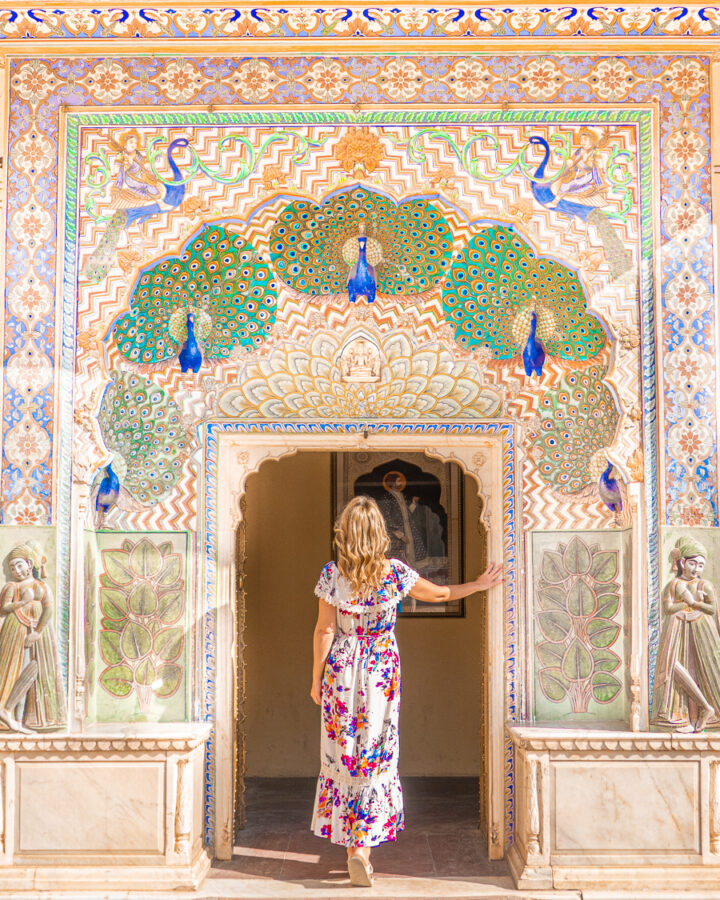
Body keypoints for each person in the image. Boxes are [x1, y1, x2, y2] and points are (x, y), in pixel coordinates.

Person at [309, 495, 503, 887]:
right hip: (381, 668)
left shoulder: (332, 574)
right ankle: (364, 847)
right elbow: (441, 595)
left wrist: (316, 679)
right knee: (375, 750)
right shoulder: (395, 573)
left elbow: (325, 630)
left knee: (346, 753)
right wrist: (481, 585)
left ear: (344, 534)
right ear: (380, 534)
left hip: (342, 669)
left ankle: (353, 848)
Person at [652, 536, 720, 732]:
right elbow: (668, 608)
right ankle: (702, 708)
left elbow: (712, 609)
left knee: (703, 669)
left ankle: (707, 709)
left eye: (700, 565)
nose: (696, 569)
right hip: (677, 628)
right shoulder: (673, 584)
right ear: (682, 562)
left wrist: (696, 603)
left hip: (702, 629)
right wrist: (687, 603)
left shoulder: (704, 585)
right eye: (692, 563)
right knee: (671, 666)